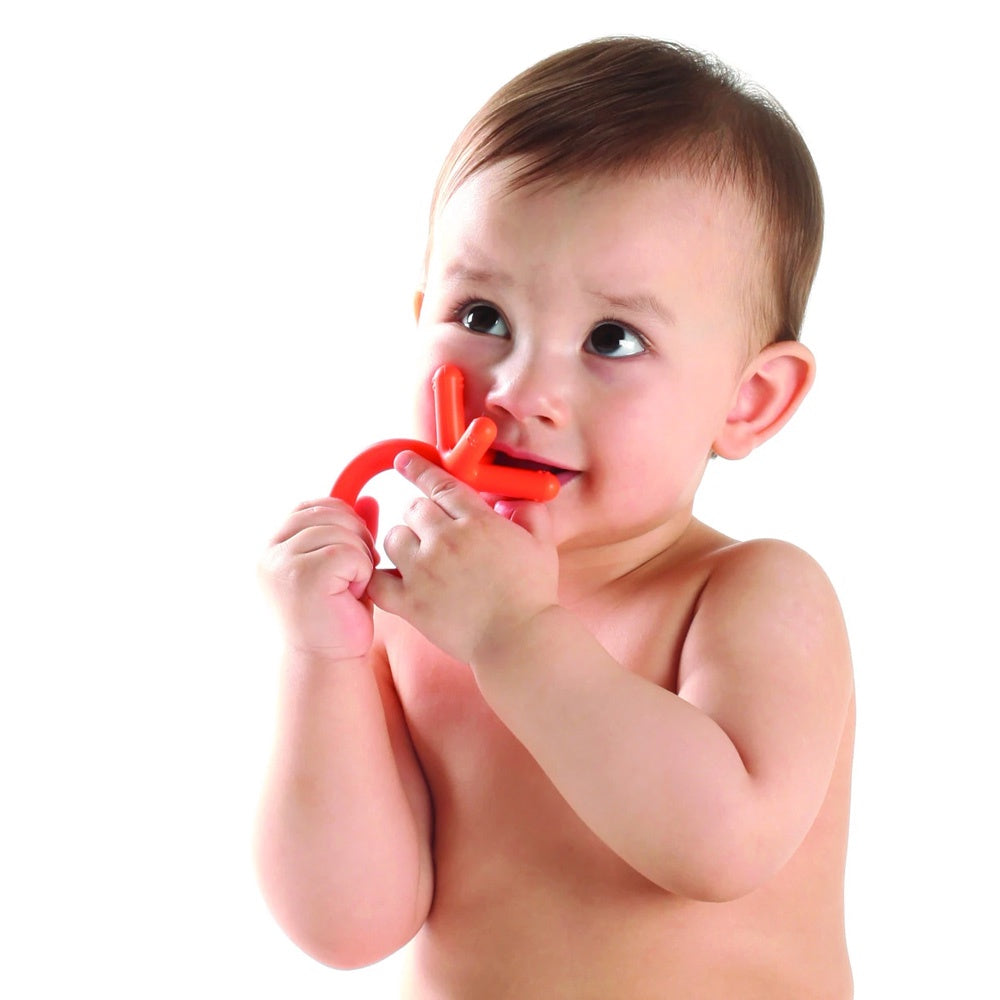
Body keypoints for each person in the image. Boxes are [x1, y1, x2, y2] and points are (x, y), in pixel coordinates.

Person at [255, 36, 855, 999]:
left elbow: (719, 847)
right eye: (482, 316)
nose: (520, 391)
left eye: (612, 338)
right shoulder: (413, 615)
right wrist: (321, 661)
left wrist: (517, 636)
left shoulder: (752, 595)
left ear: (749, 401)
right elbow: (350, 926)